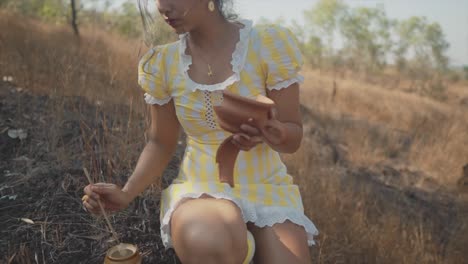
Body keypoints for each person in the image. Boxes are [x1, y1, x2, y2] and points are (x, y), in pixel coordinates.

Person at [82, 0, 318, 263]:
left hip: (267, 186)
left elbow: (293, 136)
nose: (163, 7)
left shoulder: (267, 45)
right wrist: (126, 192)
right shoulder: (163, 63)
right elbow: (160, 142)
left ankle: (244, 248)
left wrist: (273, 132)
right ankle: (239, 249)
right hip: (201, 187)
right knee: (211, 242)